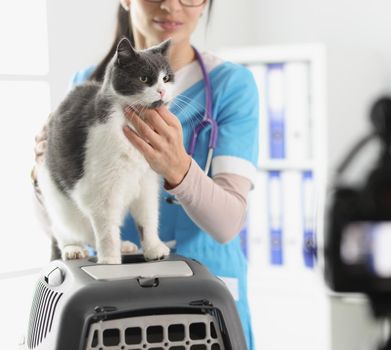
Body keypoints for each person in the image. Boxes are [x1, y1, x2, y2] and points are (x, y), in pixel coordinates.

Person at [32, 0, 259, 348]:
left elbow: (228, 224)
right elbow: (63, 222)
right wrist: (41, 175)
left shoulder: (232, 86)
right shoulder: (87, 85)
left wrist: (178, 169)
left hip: (204, 308)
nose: (171, 5)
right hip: (111, 310)